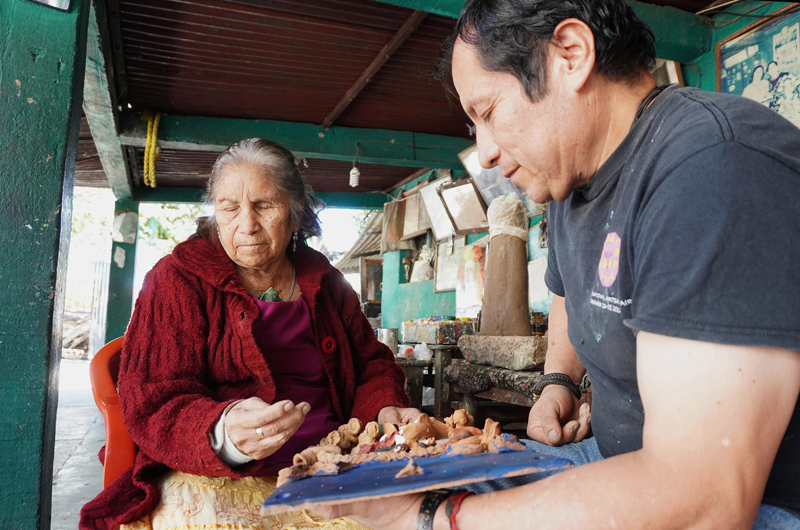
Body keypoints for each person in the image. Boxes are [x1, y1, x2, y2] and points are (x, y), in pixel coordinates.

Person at [312, 1, 800, 529]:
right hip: (623, 463)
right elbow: (569, 293)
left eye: (489, 112)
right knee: (398, 481)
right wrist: (557, 383)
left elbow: (704, 498)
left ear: (571, 54)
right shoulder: (569, 186)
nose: (486, 151)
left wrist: (438, 519)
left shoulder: (710, 167)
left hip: (755, 502)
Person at [79, 138, 420, 530]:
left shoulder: (326, 281)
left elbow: (371, 363)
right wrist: (223, 431)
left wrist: (382, 410)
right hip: (218, 474)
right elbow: (152, 398)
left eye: (264, 206)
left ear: (294, 212)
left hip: (334, 466)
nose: (246, 225)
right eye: (229, 208)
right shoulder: (175, 281)